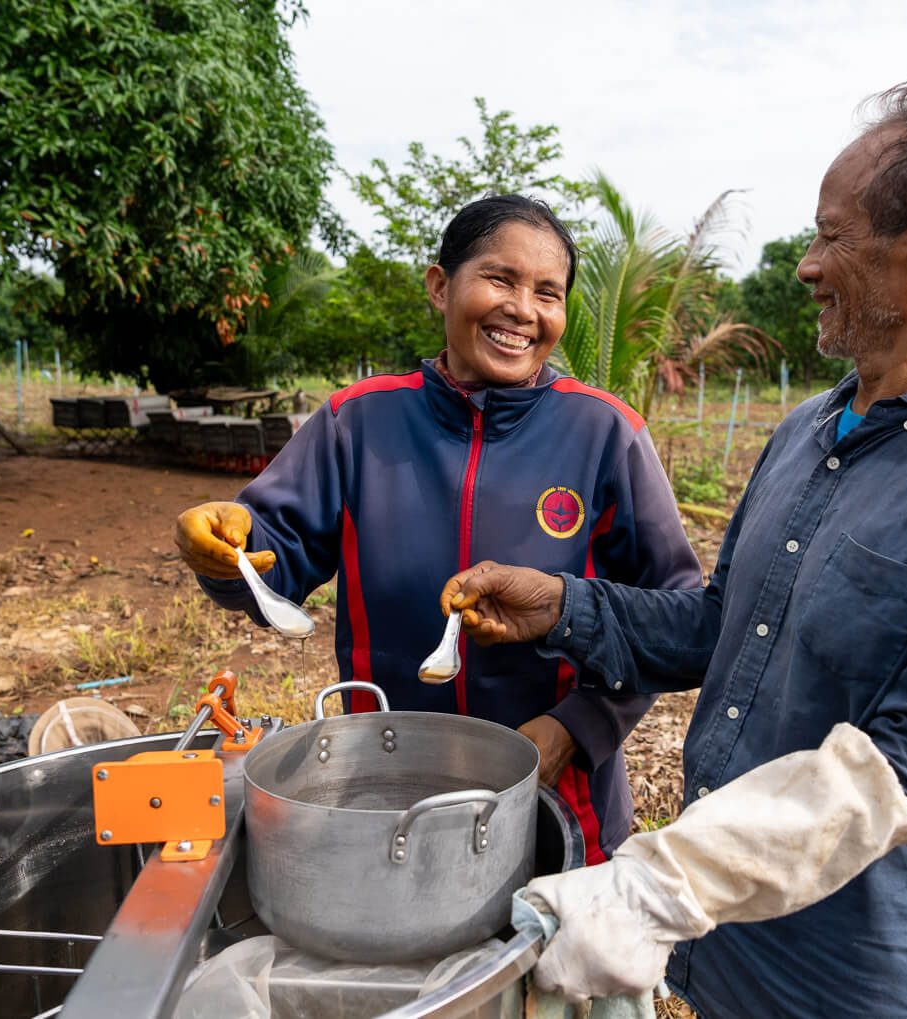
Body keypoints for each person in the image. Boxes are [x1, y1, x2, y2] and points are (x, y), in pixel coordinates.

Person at [442, 79, 907, 1017]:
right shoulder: (809, 430)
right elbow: (727, 626)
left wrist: (656, 886)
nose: (806, 265)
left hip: (856, 966)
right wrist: (563, 605)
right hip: (727, 937)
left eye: (830, 235)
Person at [174, 195, 702, 863]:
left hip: (563, 798)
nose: (524, 310)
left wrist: (576, 729)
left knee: (552, 960)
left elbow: (672, 614)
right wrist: (227, 549)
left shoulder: (605, 432)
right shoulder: (357, 422)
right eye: (500, 279)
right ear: (439, 285)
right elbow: (272, 557)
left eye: (549, 292)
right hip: (390, 791)